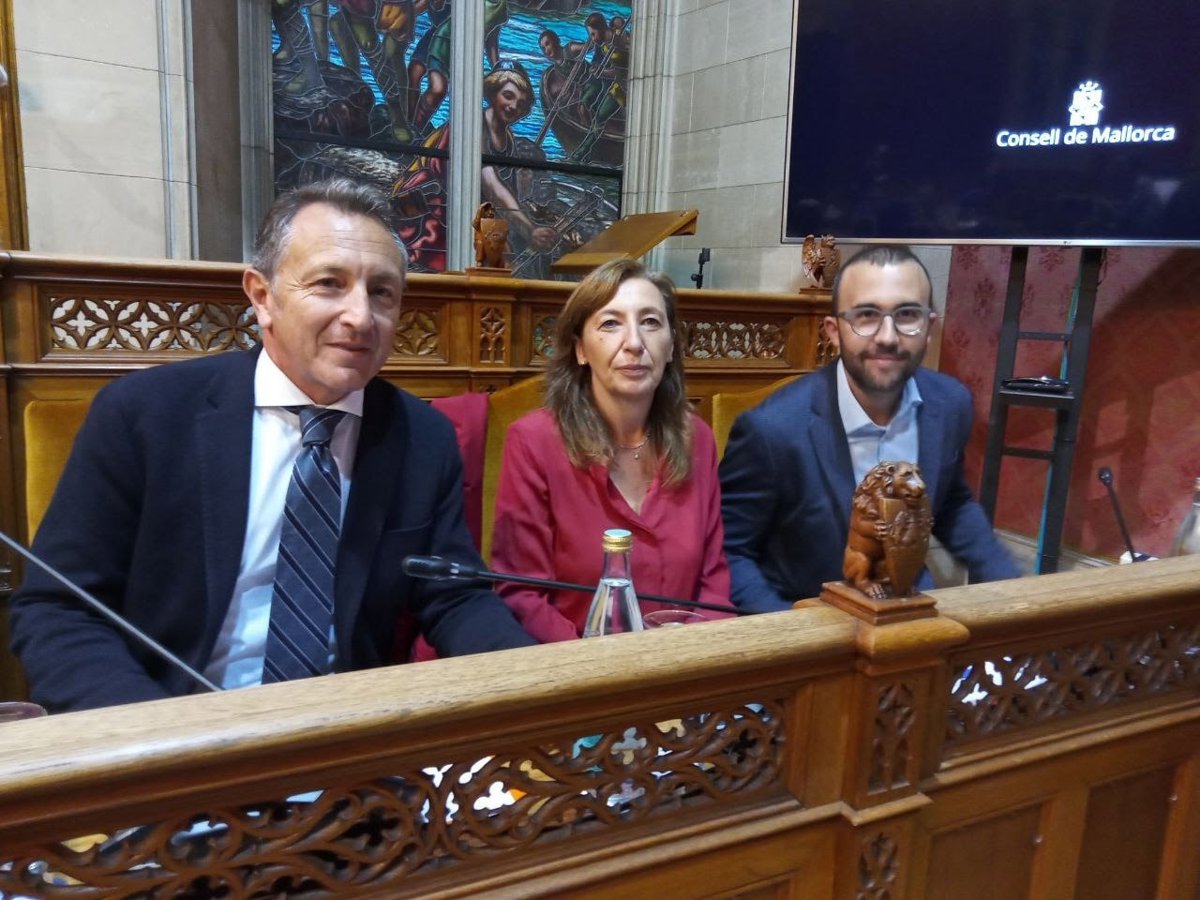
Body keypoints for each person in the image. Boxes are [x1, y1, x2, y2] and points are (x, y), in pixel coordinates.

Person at [9, 178, 536, 713]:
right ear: (262, 297)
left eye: (381, 292)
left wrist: (540, 690)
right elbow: (59, 610)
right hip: (166, 721)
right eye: (329, 283)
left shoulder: (423, 437)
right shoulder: (144, 415)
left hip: (347, 732)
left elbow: (453, 596)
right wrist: (155, 734)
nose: (360, 317)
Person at [719, 245, 1021, 612]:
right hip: (809, 617)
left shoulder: (950, 403)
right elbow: (730, 554)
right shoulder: (771, 430)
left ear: (929, 328)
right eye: (866, 315)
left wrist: (1012, 590)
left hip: (909, 612)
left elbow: (951, 502)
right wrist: (793, 632)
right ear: (834, 331)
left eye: (907, 315)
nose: (888, 337)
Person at [490, 259, 735, 640]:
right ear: (581, 350)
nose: (634, 343)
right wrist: (600, 666)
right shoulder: (534, 441)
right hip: (574, 665)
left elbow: (715, 584)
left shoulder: (696, 438)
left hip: (685, 663)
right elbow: (521, 594)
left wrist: (684, 654)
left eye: (650, 322)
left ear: (671, 346)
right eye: (610, 324)